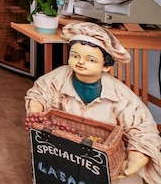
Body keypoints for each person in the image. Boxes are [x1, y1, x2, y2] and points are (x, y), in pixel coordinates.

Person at [25, 22, 161, 183]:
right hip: (64, 148)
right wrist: (36, 108)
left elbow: (142, 127)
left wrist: (137, 155)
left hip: (103, 158)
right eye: (75, 56)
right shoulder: (58, 78)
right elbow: (41, 92)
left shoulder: (121, 96)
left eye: (90, 59)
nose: (80, 62)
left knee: (128, 179)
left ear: (105, 66)